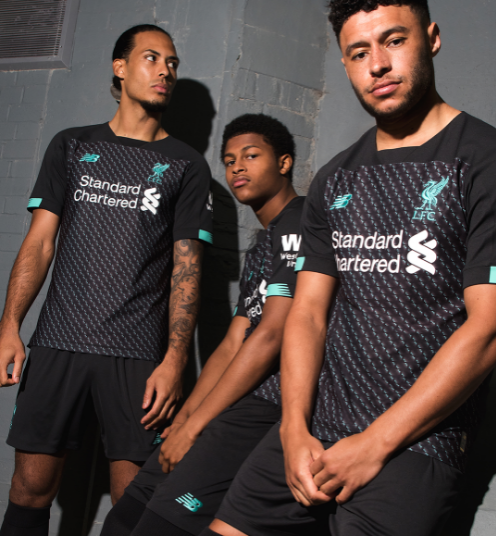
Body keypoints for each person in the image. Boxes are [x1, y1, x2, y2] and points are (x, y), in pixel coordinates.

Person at [202, 2, 496, 536]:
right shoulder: (336, 177)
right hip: (314, 430)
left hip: (415, 442)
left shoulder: (482, 160)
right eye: (359, 53)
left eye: (394, 41)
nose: (377, 64)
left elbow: (488, 327)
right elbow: (308, 314)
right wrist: (293, 428)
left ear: (431, 38)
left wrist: (374, 444)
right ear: (344, 63)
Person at [0, 24, 213, 536]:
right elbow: (39, 243)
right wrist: (10, 326)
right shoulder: (72, 145)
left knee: (133, 502)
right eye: (151, 58)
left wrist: (176, 360)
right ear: (120, 67)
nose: (165, 71)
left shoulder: (186, 164)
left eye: (172, 63)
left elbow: (187, 270)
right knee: (29, 489)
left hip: (137, 355)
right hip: (59, 342)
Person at [100, 113, 305, 536]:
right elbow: (233, 341)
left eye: (251, 156)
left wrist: (194, 427)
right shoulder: (264, 242)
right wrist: (186, 416)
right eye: (229, 161)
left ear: (284, 162)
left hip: (269, 402)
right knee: (125, 516)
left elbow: (271, 334)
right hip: (234, 398)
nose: (238, 168)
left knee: (159, 524)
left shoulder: (300, 224)